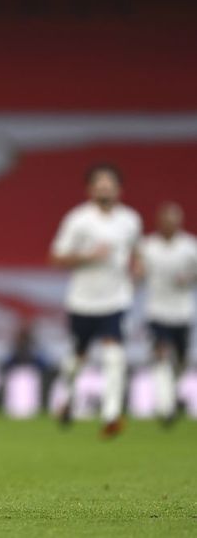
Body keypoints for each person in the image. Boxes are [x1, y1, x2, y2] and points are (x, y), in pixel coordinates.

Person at [50, 164, 141, 438]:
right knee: (78, 357)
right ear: (90, 189)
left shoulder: (130, 220)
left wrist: (138, 268)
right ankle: (66, 396)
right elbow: (56, 258)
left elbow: (136, 253)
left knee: (114, 355)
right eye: (99, 184)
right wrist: (88, 256)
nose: (104, 188)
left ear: (118, 189)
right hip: (83, 301)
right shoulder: (78, 220)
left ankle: (111, 414)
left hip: (116, 299)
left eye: (109, 184)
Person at [138, 202, 197, 425]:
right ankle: (166, 406)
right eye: (166, 220)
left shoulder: (190, 246)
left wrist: (190, 278)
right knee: (161, 354)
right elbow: (138, 271)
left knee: (181, 361)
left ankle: (174, 391)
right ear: (159, 222)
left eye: (174, 220)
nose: (170, 224)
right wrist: (138, 274)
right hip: (157, 310)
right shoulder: (148, 245)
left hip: (182, 312)